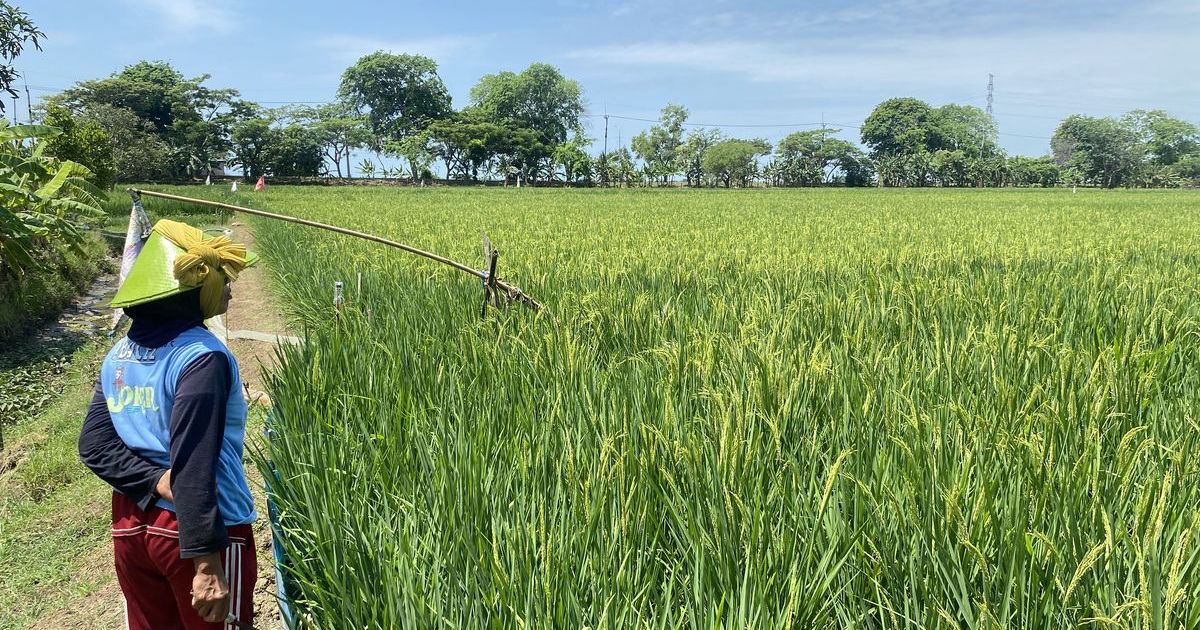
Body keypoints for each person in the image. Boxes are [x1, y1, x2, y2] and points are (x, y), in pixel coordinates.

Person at [78, 219, 258, 629]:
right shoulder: (200, 357)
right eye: (222, 279)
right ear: (193, 290)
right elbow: (194, 464)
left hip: (131, 527)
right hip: (202, 530)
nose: (230, 288)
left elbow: (94, 446)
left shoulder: (119, 355)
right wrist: (208, 565)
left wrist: (154, 481)